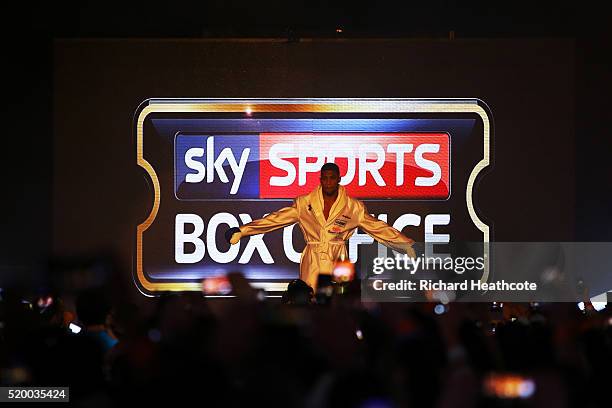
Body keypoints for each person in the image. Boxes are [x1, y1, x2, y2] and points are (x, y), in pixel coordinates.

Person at [225, 163, 416, 289]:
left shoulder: (353, 207)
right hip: (312, 258)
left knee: (339, 301)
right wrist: (243, 231)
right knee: (309, 300)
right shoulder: (304, 203)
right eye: (324, 178)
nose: (328, 182)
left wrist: (405, 244)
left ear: (339, 178)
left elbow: (377, 228)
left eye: (332, 177)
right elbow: (275, 219)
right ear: (320, 179)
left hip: (338, 258)